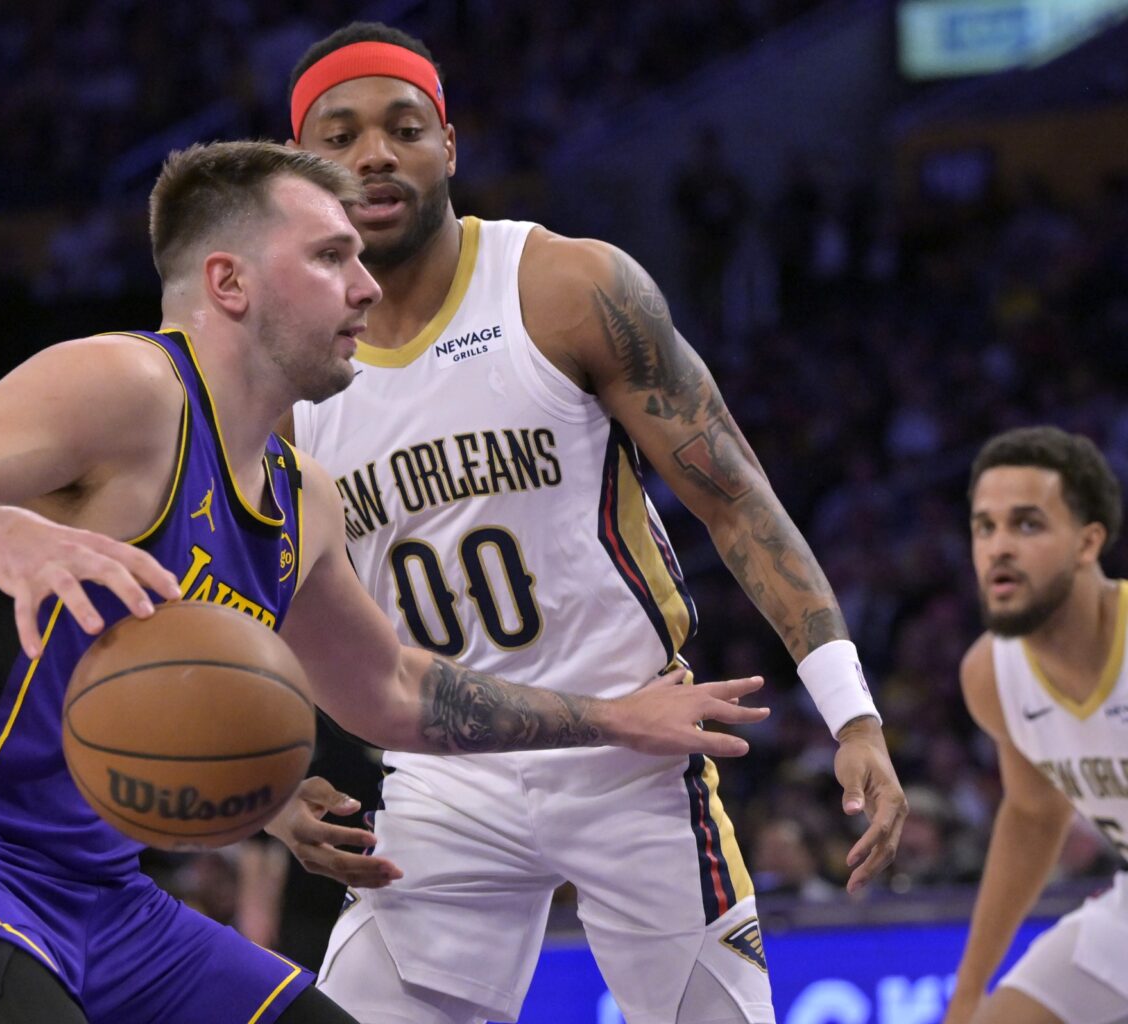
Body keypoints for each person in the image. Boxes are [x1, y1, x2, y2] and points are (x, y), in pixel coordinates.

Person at [0, 140, 770, 1024]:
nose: (367, 285)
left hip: (99, 886)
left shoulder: (306, 501)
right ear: (231, 282)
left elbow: (396, 692)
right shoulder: (128, 390)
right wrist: (1, 535)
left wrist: (612, 717)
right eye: (331, 256)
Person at [271, 23, 908, 1024]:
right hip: (443, 773)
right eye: (338, 135)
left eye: (402, 128)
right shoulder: (284, 372)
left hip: (633, 749)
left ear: (450, 145)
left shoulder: (565, 287)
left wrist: (853, 711)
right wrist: (276, 785)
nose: (373, 155)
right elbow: (257, 599)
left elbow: (734, 495)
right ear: (296, 166)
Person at [943, 426, 1128, 1024]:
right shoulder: (991, 674)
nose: (999, 547)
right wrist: (969, 992)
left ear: (1087, 542)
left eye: (1027, 524)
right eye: (984, 526)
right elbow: (1032, 814)